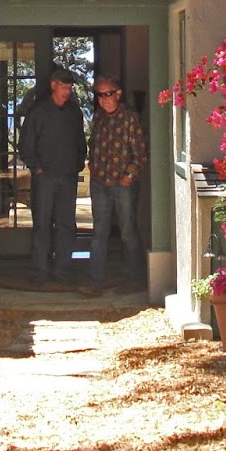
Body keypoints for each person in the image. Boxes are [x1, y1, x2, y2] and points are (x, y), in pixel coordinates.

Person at [82, 75, 147, 296]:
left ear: (117, 94)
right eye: (99, 95)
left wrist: (129, 175)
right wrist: (92, 164)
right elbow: (92, 144)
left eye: (107, 94)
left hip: (123, 184)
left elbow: (140, 154)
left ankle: (135, 278)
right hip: (100, 183)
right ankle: (95, 281)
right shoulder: (99, 118)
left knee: (127, 231)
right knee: (99, 233)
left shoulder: (130, 118)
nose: (103, 99)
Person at [19, 68, 85, 285]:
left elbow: (80, 143)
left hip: (67, 177)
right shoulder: (38, 112)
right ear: (53, 85)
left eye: (70, 88)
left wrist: (75, 166)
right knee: (42, 224)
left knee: (66, 224)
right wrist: (37, 168)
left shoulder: (74, 113)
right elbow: (26, 143)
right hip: (44, 177)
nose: (67, 91)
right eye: (64, 87)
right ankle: (39, 271)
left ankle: (63, 270)